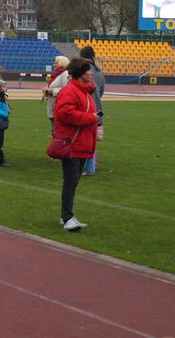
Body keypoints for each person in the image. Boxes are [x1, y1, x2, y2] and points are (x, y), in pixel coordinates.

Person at [54, 57, 99, 232]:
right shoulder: (70, 91)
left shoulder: (84, 91)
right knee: (71, 181)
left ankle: (66, 215)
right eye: (88, 70)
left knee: (73, 181)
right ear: (80, 73)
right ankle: (67, 217)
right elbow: (65, 114)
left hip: (81, 142)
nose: (91, 73)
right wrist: (90, 118)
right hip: (72, 143)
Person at [79, 45, 105, 176]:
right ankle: (92, 165)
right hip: (98, 107)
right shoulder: (99, 70)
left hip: (86, 107)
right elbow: (102, 90)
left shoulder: (84, 70)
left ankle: (88, 166)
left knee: (85, 138)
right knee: (92, 139)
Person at [43, 56, 70, 134]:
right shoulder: (57, 74)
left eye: (56, 63)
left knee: (58, 132)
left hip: (59, 107)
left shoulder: (65, 74)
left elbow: (68, 90)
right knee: (54, 131)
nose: (54, 65)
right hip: (53, 106)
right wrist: (47, 91)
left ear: (62, 63)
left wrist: (52, 91)